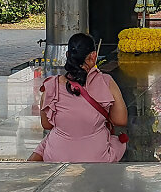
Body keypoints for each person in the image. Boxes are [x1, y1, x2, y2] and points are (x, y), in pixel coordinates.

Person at [29, 33, 128, 163]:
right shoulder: (106, 82)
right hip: (96, 158)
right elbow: (120, 120)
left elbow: (46, 124)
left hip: (57, 156)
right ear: (93, 56)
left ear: (67, 55)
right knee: (119, 143)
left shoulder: (51, 85)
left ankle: (29, 170)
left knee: (49, 140)